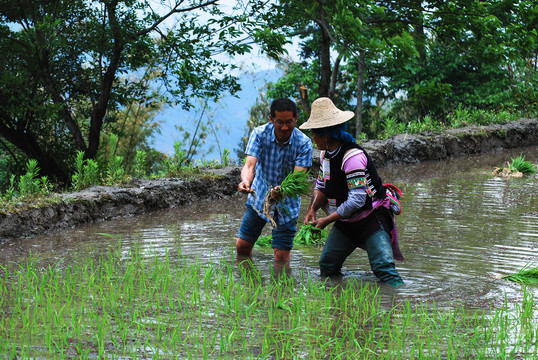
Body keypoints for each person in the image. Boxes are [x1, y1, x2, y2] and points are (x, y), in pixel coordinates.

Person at [300, 97, 404, 286]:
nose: (312, 137)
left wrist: (327, 220)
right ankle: (340, 297)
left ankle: (399, 303)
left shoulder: (352, 157)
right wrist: (312, 209)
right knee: (328, 266)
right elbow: (322, 184)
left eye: (314, 133)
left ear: (326, 134)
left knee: (384, 269)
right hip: (346, 220)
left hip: (370, 218)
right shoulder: (326, 155)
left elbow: (357, 200)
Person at [236, 98, 313, 262]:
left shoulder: (304, 143)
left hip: (287, 205)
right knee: (242, 246)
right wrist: (245, 182)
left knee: (281, 256)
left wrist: (282, 191)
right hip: (259, 198)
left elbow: (297, 177)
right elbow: (250, 165)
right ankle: (248, 284)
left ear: (296, 119)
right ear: (271, 119)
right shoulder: (259, 134)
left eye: (289, 122)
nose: (285, 127)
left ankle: (281, 288)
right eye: (280, 122)